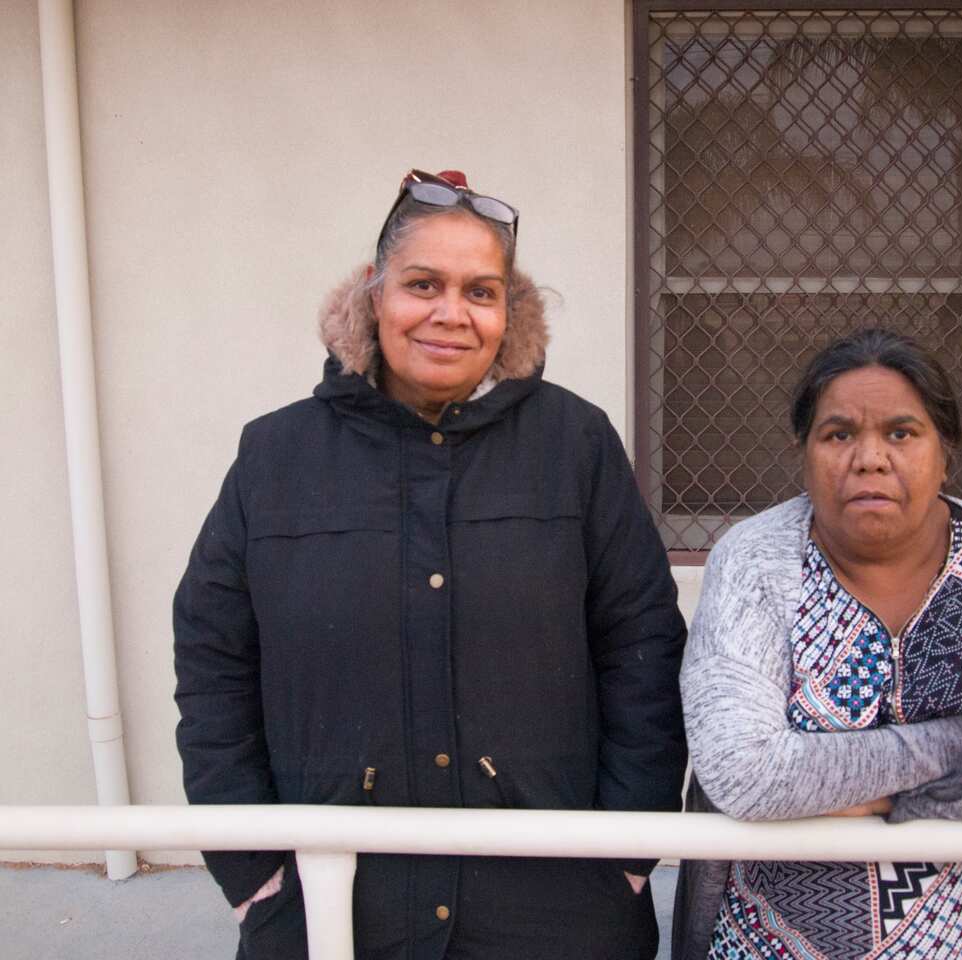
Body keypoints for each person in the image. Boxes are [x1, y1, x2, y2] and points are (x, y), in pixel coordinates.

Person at [174, 169, 687, 960]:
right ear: (374, 297)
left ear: (508, 313)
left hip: (553, 910)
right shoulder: (276, 455)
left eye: (481, 292)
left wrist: (621, 859)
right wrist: (253, 873)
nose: (452, 313)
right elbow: (213, 664)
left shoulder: (575, 446)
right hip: (336, 907)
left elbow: (643, 648)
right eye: (424, 284)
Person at [673, 328, 962, 960]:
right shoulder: (756, 561)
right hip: (777, 943)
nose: (869, 458)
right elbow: (745, 775)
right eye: (839, 435)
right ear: (804, 453)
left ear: (946, 453)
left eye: (901, 433)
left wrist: (860, 794)